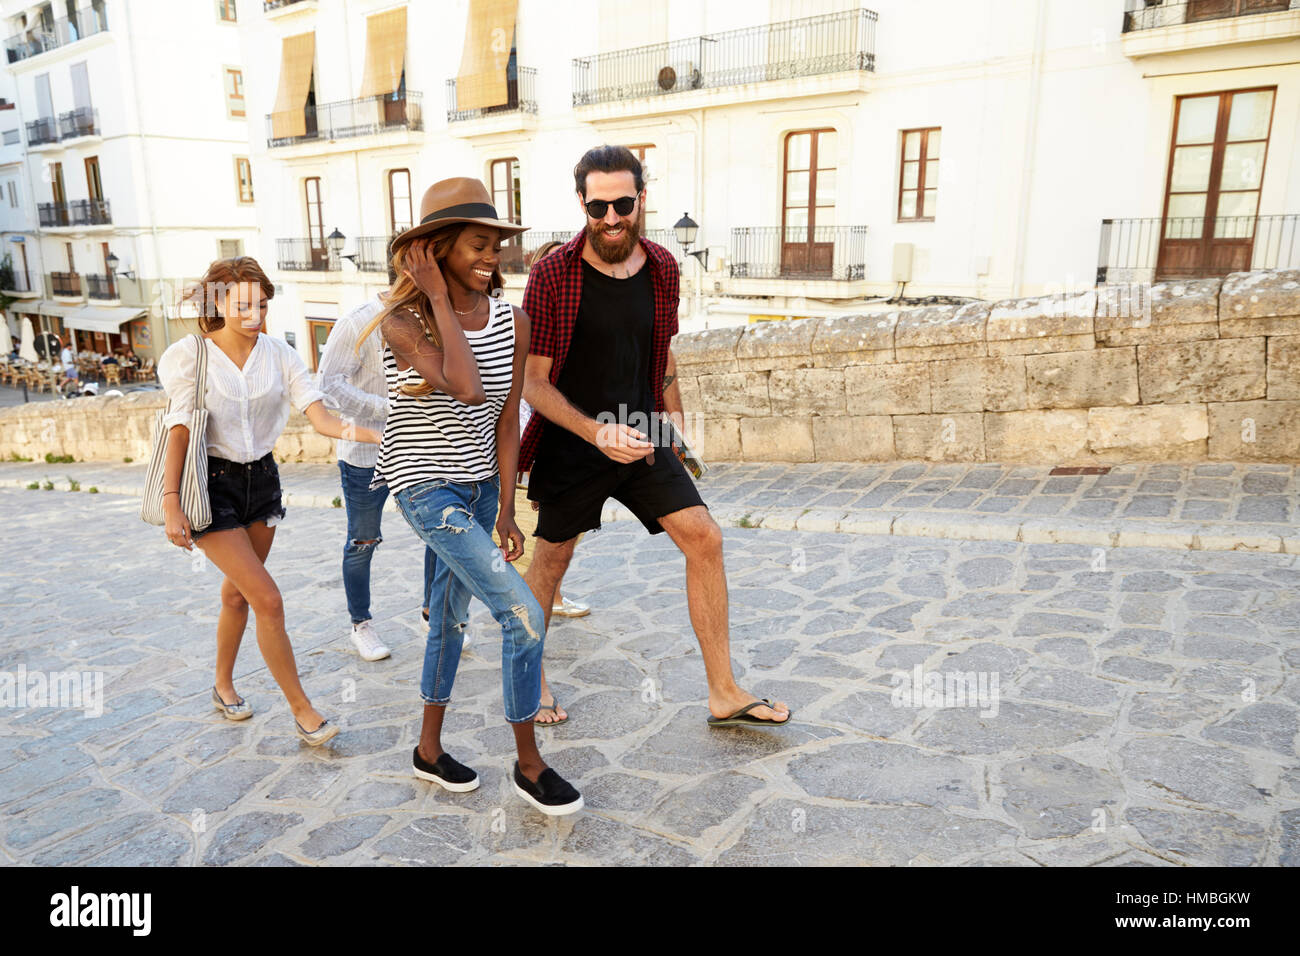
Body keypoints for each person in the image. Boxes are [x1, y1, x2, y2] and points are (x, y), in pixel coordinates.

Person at [521, 145, 791, 729]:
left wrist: (679, 432)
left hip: (644, 431)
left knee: (706, 538)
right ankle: (530, 680)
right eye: (599, 207)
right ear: (582, 204)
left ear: (641, 199)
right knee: (551, 564)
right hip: (575, 439)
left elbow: (661, 356)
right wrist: (596, 433)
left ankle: (723, 690)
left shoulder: (664, 267)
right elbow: (534, 385)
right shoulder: (552, 274)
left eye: (623, 203)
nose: (611, 218)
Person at [360, 176, 582, 814]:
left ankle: (428, 752)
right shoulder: (402, 320)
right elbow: (464, 386)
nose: (492, 258)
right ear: (435, 249)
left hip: (483, 484)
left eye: (496, 247)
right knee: (523, 615)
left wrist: (509, 505)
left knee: (450, 618)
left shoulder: (514, 319)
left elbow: (506, 414)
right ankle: (529, 764)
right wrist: (431, 293)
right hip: (425, 485)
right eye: (476, 246)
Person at [157, 256, 381, 746]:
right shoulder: (189, 356)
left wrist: (385, 434)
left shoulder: (280, 354)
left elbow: (321, 419)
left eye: (261, 303)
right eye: (242, 304)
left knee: (238, 591)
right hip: (209, 486)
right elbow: (179, 429)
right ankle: (304, 711)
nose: (253, 313)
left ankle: (222, 684)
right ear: (217, 301)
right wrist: (172, 501)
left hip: (262, 481)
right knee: (267, 597)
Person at [318, 296, 439, 662]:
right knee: (363, 539)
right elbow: (329, 385)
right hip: (365, 457)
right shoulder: (359, 321)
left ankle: (433, 616)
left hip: (423, 447)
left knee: (439, 532)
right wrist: (386, 410)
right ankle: (361, 625)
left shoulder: (438, 315)